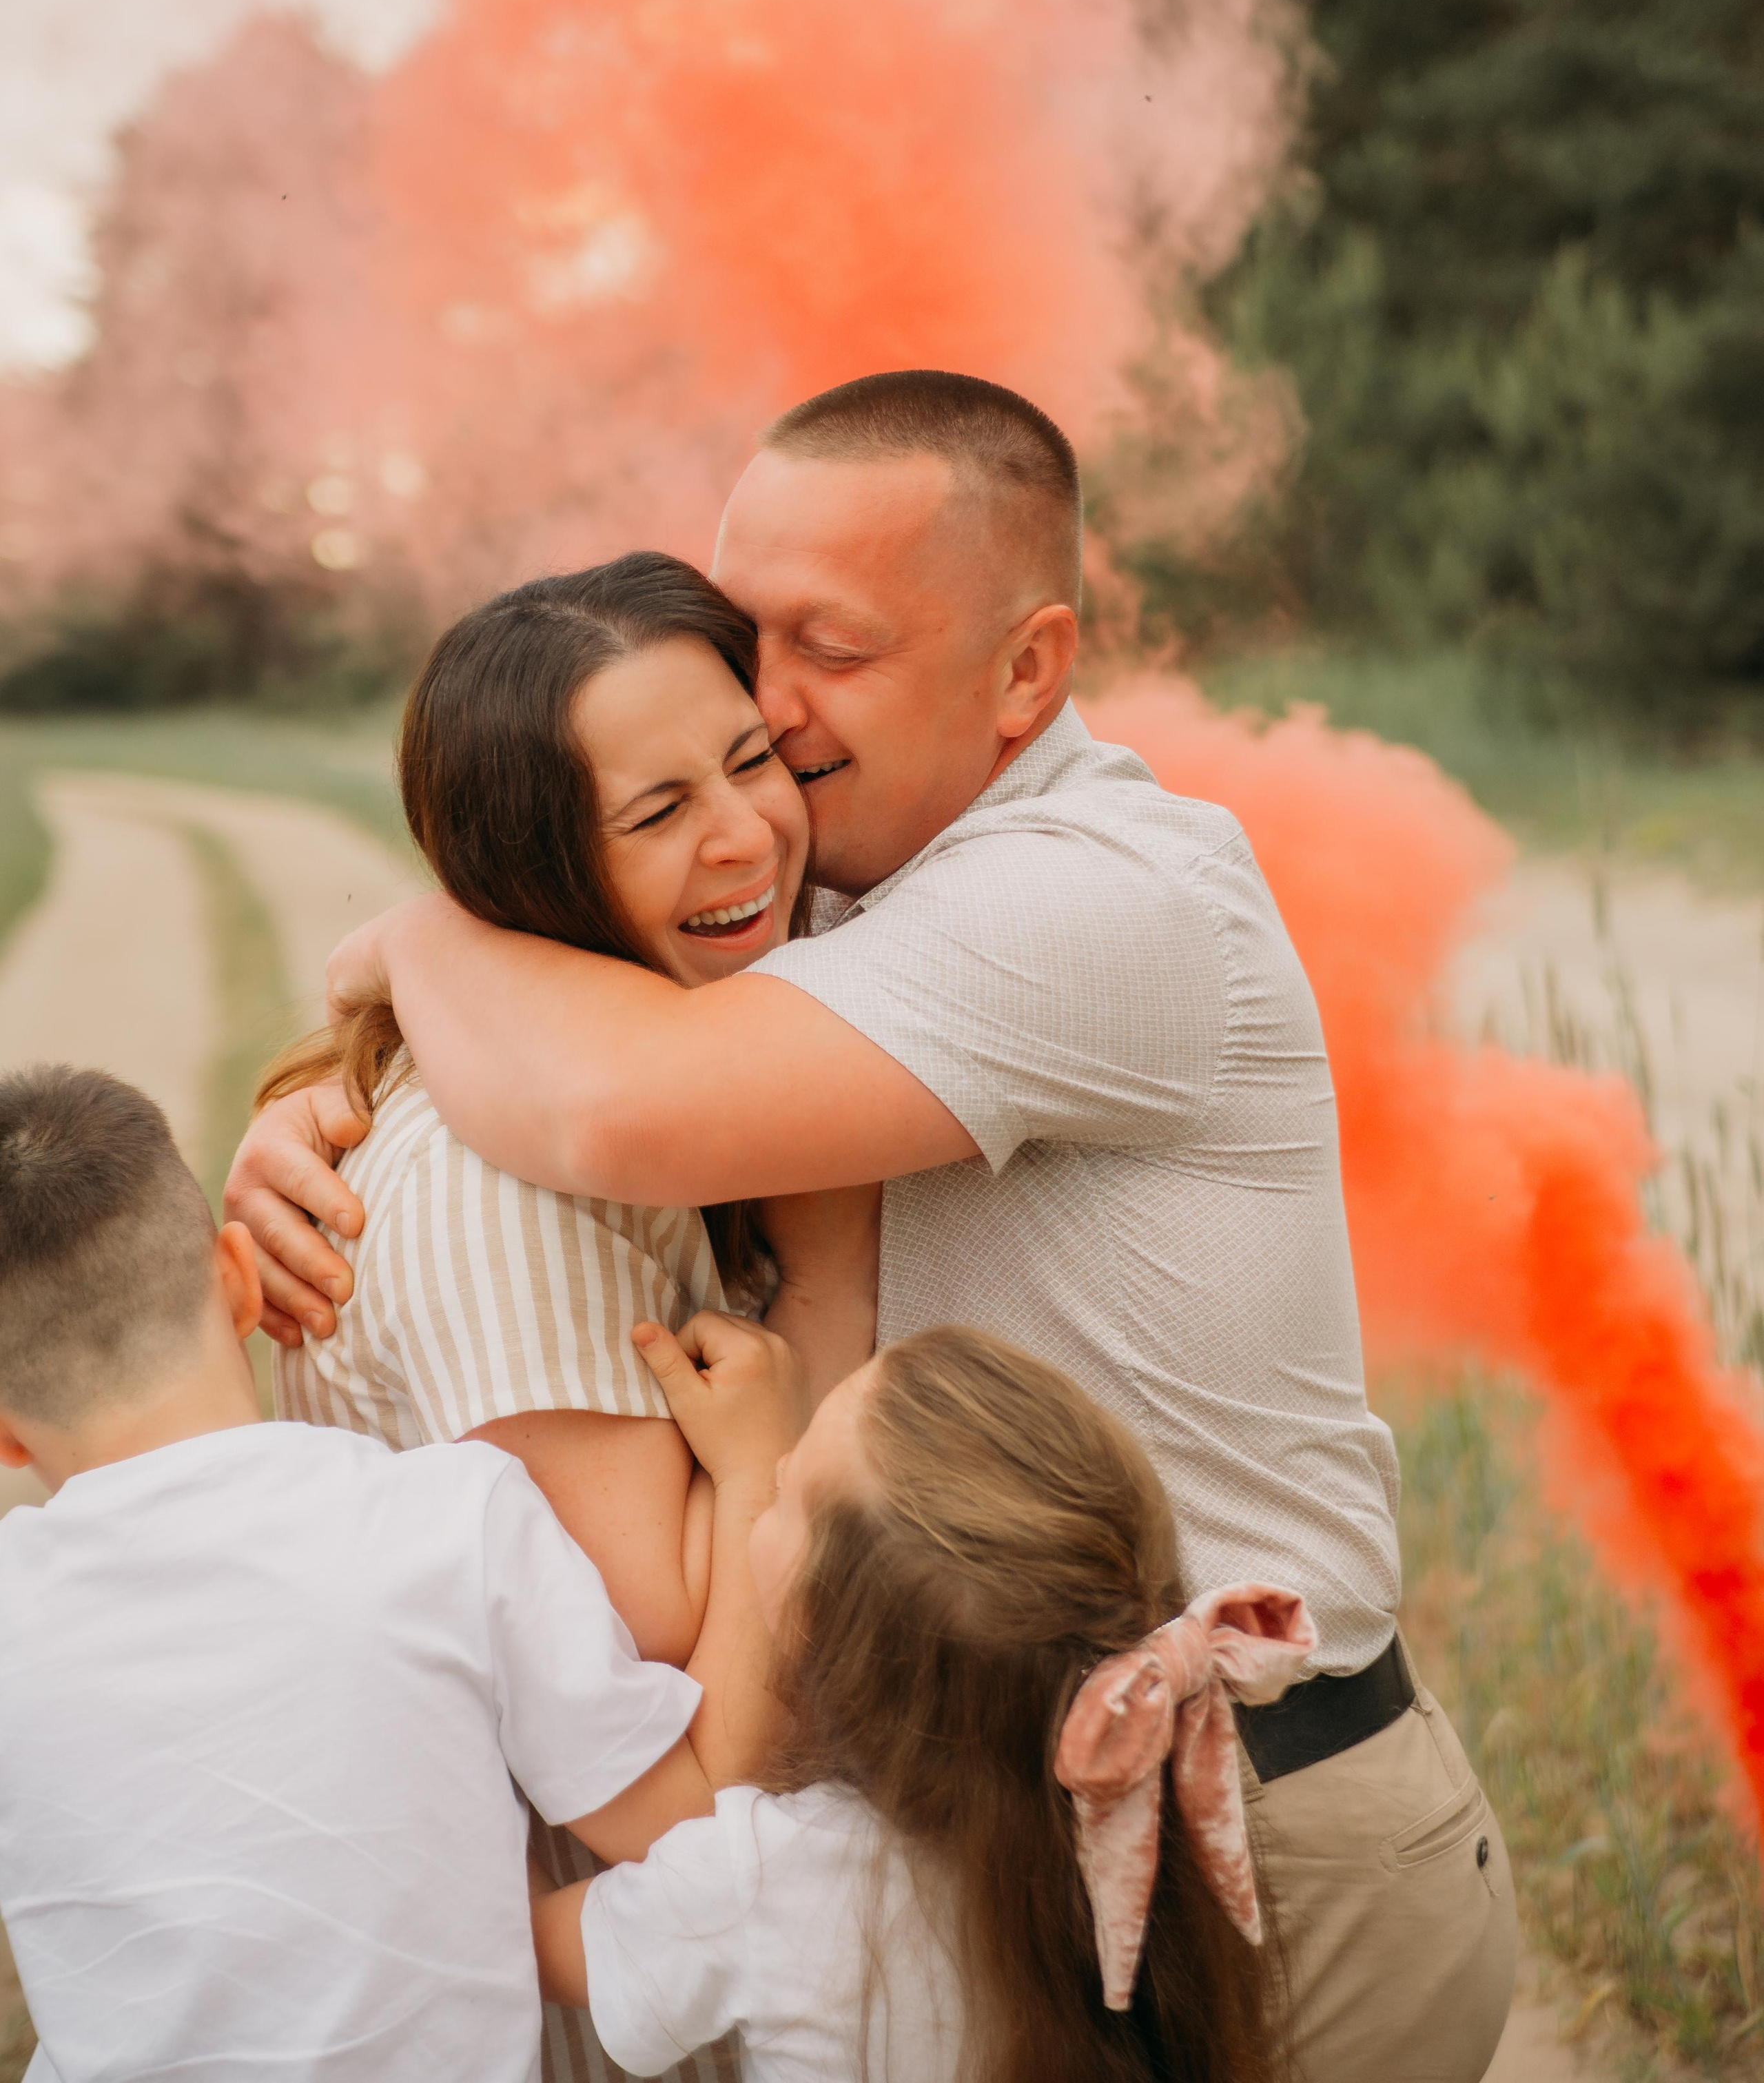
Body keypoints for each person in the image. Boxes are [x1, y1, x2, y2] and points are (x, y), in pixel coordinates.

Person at [231, 368, 1519, 2081]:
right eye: (741, 626)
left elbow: (612, 1097)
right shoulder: (843, 859)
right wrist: (312, 1105)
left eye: (825, 646)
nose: (763, 700)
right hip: (980, 1849)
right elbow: (608, 949)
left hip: (1260, 1841)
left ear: (1024, 670)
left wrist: (429, 935)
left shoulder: (1092, 895)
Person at [263, 551, 860, 2083]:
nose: (748, 837)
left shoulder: (642, 1081)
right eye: (657, 814)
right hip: (576, 1984)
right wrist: (759, 1462)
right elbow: (661, 1662)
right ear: (535, 879)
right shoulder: (511, 1188)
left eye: (751, 761)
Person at [0, 1064, 794, 2083]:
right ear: (242, 1279)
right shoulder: (455, 1519)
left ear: (9, 1437)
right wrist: (761, 1466)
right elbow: (692, 1829)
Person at [537, 1321, 1306, 2083]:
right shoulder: (1161, 1815)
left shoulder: (767, 1877)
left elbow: (518, 1944)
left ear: (827, 1632)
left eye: (784, 1490)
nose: (771, 1465)